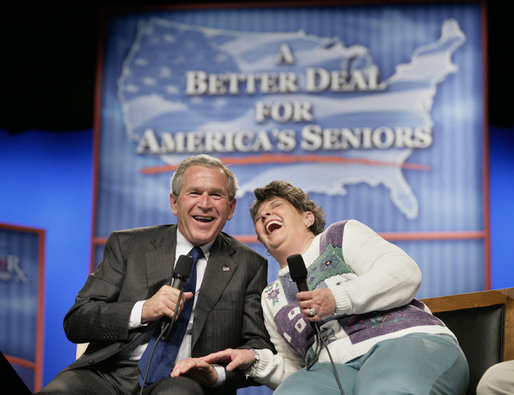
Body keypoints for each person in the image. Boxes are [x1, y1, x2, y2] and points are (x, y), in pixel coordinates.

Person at [172, 180, 469, 394]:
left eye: (276, 207)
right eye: (259, 217)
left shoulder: (340, 236)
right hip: (329, 371)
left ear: (307, 217)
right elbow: (294, 367)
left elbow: (404, 274)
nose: (265, 216)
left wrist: (338, 299)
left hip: (403, 342)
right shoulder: (270, 297)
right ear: (261, 241)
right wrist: (254, 361)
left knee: (383, 389)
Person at [38, 154, 274, 395]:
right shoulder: (128, 245)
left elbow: (259, 349)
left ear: (231, 208)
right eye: (194, 193)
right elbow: (77, 321)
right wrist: (143, 310)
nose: (205, 203)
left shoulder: (249, 264)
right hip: (108, 373)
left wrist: (217, 374)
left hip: (184, 380)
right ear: (174, 203)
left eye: (216, 195)